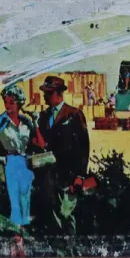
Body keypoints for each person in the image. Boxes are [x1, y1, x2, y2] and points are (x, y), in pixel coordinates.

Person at [0, 84, 44, 231]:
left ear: (19, 104)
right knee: (14, 199)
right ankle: (16, 233)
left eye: (11, 103)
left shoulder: (27, 123)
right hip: (11, 162)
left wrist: (36, 122)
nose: (7, 106)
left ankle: (23, 231)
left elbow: (40, 144)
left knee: (25, 197)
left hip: (26, 163)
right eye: (5, 102)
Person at [36, 75, 90, 234]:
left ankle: (70, 246)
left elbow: (84, 146)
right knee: (53, 215)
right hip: (49, 176)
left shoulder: (74, 114)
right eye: (44, 92)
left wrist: (80, 175)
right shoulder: (43, 116)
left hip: (69, 175)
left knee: (66, 214)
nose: (44, 96)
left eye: (48, 93)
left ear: (58, 93)